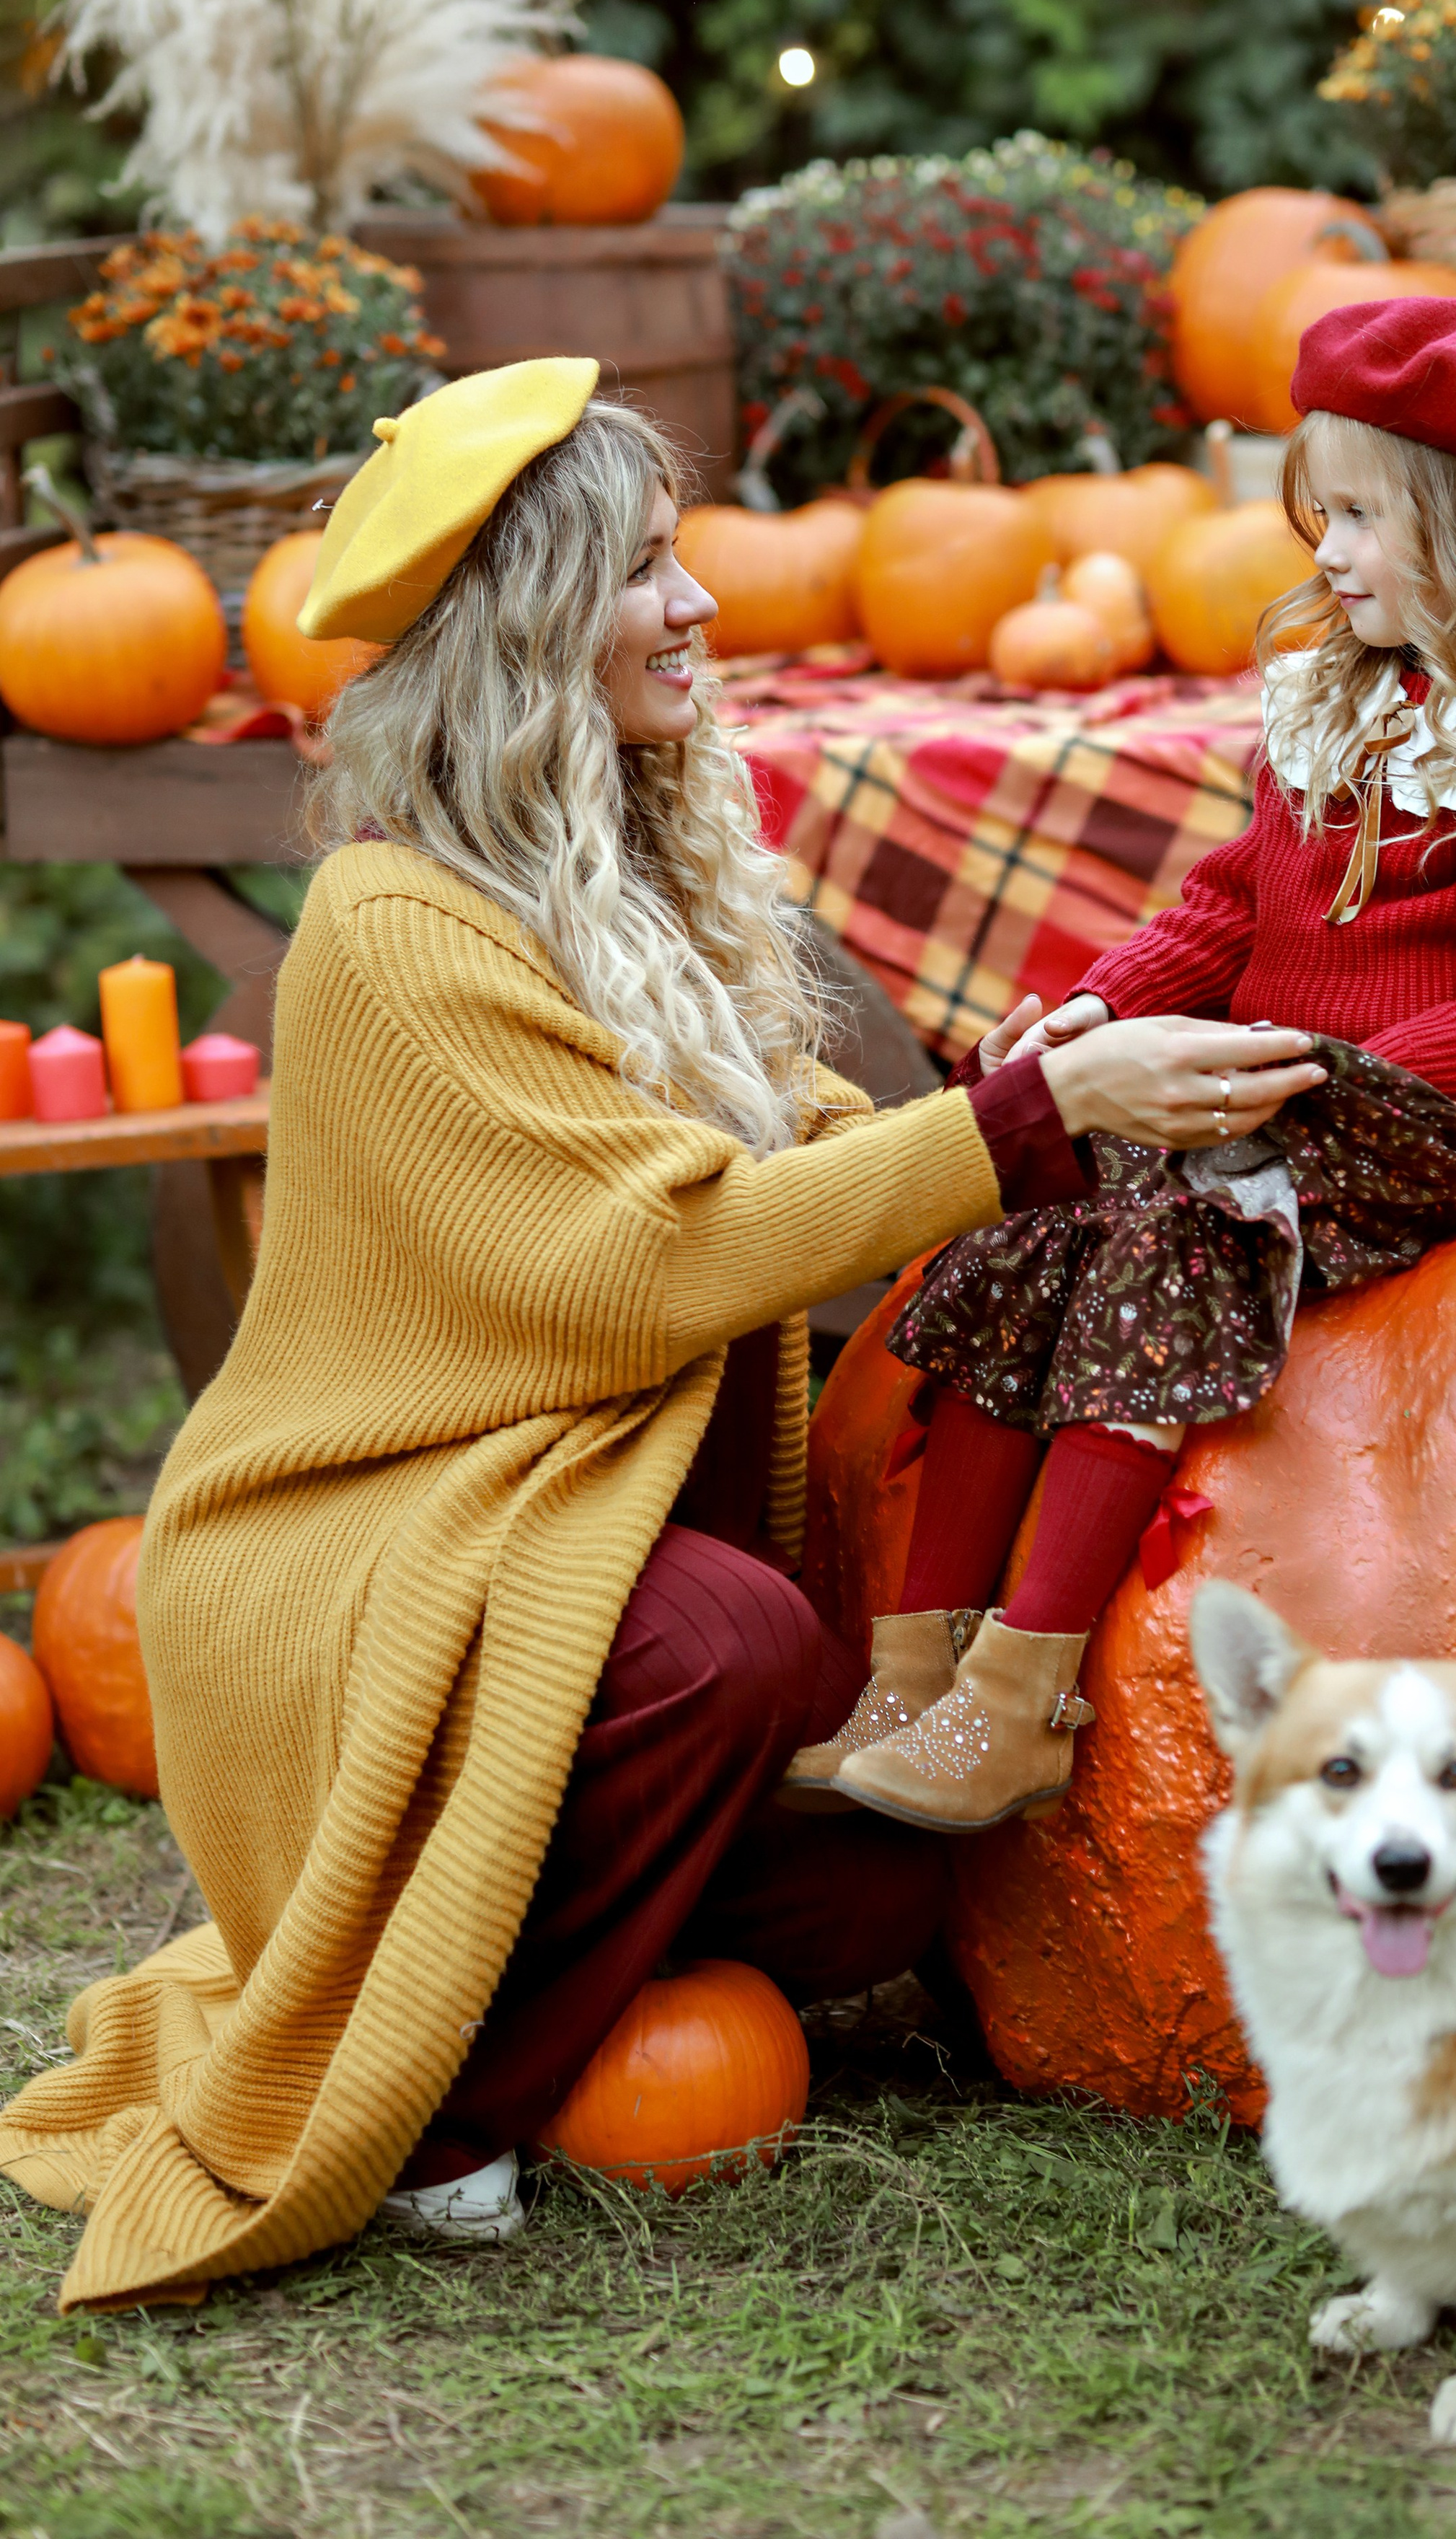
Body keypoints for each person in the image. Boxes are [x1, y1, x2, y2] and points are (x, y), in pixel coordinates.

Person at [0, 358, 1313, 2300]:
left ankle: (523, 1938)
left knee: (882, 1876)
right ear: (526, 626)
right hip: (397, 1542)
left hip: (592, 1534)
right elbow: (646, 1258)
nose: (698, 606)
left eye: (683, 557)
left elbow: (779, 1144)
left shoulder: (637, 869)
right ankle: (442, 2114)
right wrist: (1020, 1128)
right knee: (734, 1646)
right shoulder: (393, 925)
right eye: (640, 568)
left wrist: (1013, 1103)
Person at [795, 296, 1456, 1837]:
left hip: (1438, 1126)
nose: (1321, 553)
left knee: (1168, 1245)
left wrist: (1318, 1074)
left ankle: (1019, 1699)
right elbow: (1224, 913)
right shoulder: (1335, 705)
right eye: (1313, 514)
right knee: (1031, 1219)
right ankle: (908, 1671)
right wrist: (1086, 1016)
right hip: (1284, 1095)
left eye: (1360, 520)